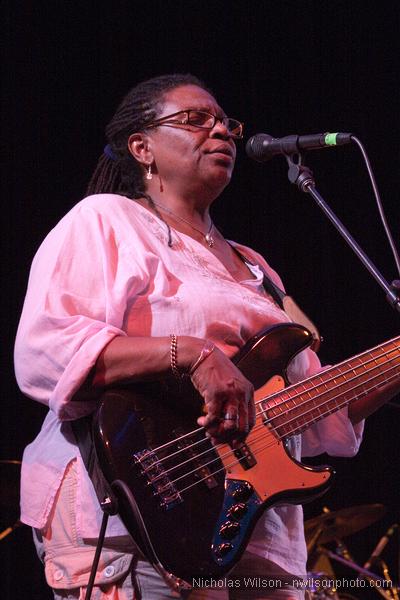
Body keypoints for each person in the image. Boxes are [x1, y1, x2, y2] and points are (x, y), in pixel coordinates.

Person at [14, 73, 400, 600]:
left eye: (226, 123)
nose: (220, 130)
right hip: (136, 508)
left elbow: (319, 410)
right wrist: (194, 355)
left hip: (254, 534)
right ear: (142, 147)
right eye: (196, 119)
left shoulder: (257, 269)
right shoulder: (107, 220)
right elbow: (47, 348)